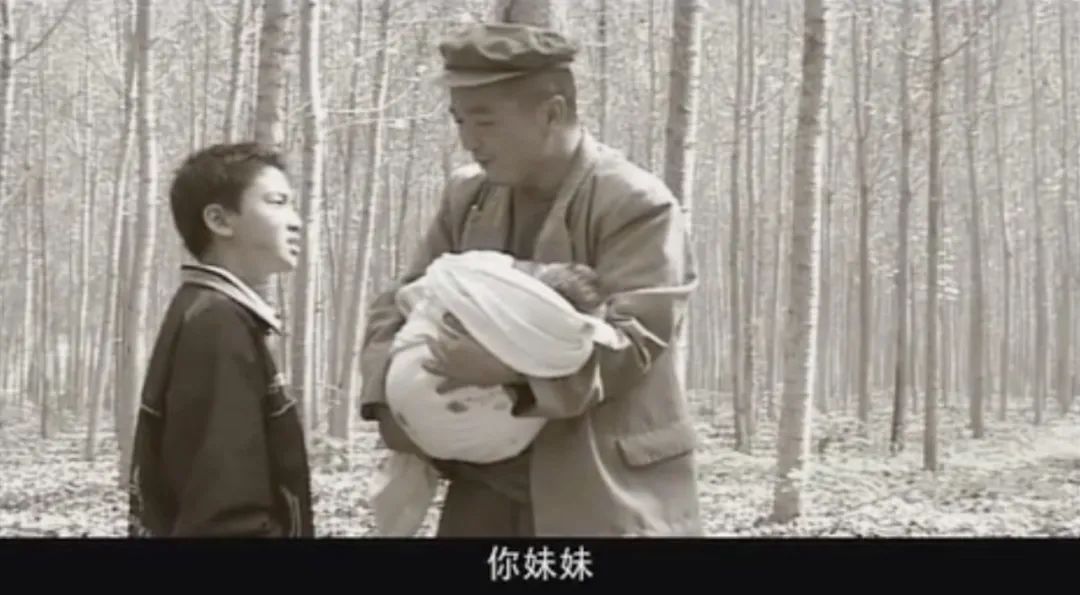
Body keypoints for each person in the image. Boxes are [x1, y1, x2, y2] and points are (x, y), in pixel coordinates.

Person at [359, 22, 703, 537]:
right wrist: (392, 401)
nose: (469, 141)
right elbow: (399, 301)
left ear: (552, 112)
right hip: (483, 486)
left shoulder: (635, 204)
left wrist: (511, 369)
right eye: (459, 121)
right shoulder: (468, 198)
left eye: (485, 122)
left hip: (602, 486)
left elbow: (634, 342)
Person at [127, 142, 315, 538]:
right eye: (277, 202)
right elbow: (225, 514)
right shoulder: (217, 325)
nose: (296, 221)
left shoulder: (210, 312)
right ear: (219, 220)